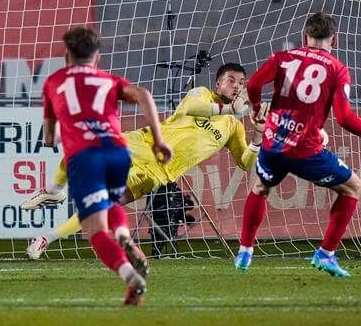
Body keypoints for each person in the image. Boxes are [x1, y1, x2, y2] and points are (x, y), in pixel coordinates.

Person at [23, 62, 285, 263]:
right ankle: (54, 192)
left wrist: (258, 132)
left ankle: (47, 238)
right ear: (218, 84)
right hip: (143, 145)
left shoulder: (233, 127)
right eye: (231, 80)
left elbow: (246, 162)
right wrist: (228, 109)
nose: (237, 86)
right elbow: (192, 109)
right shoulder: (201, 94)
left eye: (241, 82)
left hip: (158, 172)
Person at [237, 12, 361, 276]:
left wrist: (256, 108)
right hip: (304, 150)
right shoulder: (337, 69)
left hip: (273, 142)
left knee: (259, 188)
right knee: (353, 187)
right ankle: (326, 254)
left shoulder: (283, 58)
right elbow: (344, 118)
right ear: (335, 40)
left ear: (304, 36)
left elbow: (254, 83)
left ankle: (245, 252)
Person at [42, 26, 172, 305]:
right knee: (111, 202)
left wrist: (56, 132)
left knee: (95, 230)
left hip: (85, 157)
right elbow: (144, 94)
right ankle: (124, 235)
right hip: (118, 153)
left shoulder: (54, 81)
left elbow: (49, 136)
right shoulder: (108, 80)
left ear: (66, 55)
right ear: (97, 57)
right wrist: (158, 141)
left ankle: (130, 276)